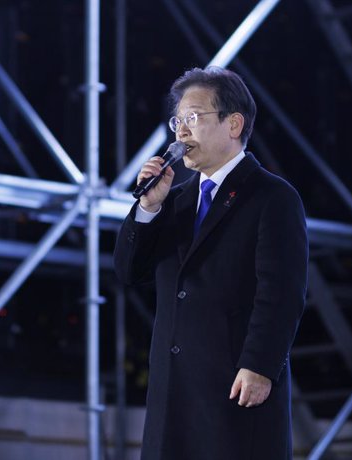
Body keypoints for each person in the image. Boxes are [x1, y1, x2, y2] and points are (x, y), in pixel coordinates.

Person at [113, 66, 308, 459]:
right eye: (177, 120)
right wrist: (148, 208)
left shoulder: (271, 196)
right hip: (174, 393)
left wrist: (260, 365)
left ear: (233, 124)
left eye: (194, 118)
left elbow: (282, 291)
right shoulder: (175, 200)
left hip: (234, 387)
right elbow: (129, 272)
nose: (181, 132)